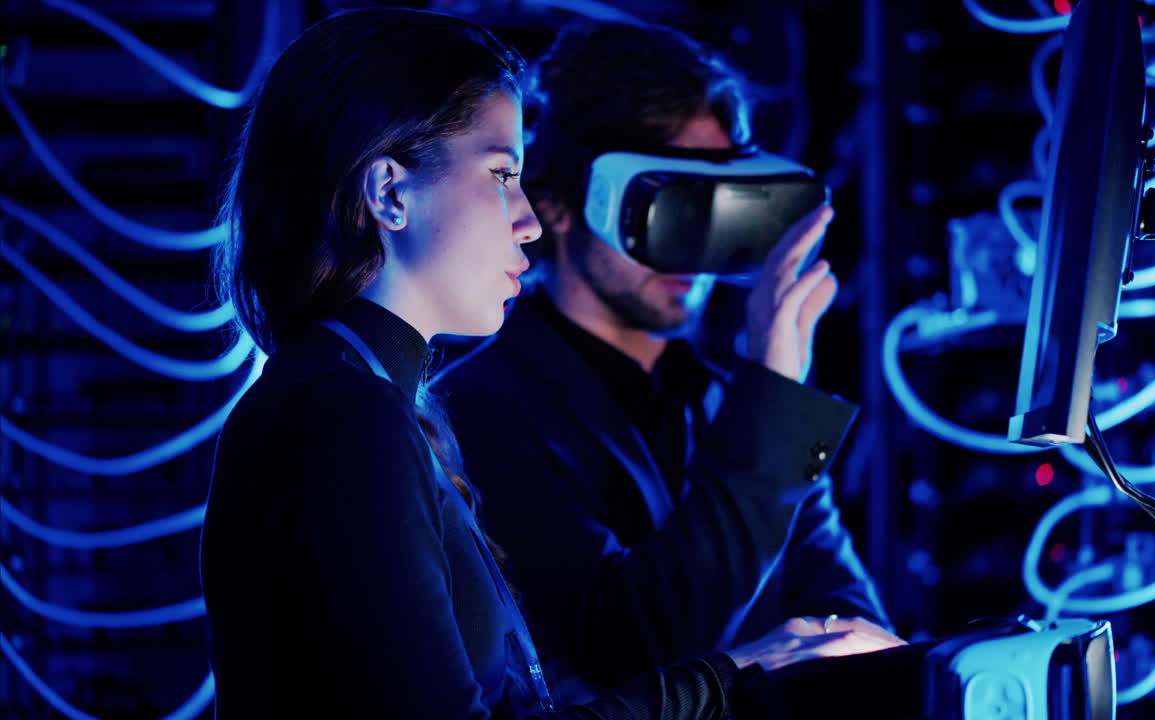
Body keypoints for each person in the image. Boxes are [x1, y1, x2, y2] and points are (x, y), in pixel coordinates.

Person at [198, 8, 906, 719]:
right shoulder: (353, 414)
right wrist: (735, 673)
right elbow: (619, 645)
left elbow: (853, 634)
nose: (527, 219)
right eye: (503, 174)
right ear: (389, 192)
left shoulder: (379, 406)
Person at [434, 20, 895, 702]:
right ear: (559, 207)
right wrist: (770, 397)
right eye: (670, 207)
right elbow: (631, 643)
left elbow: (860, 638)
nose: (698, 245)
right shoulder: (472, 411)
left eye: (719, 204)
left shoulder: (730, 404)